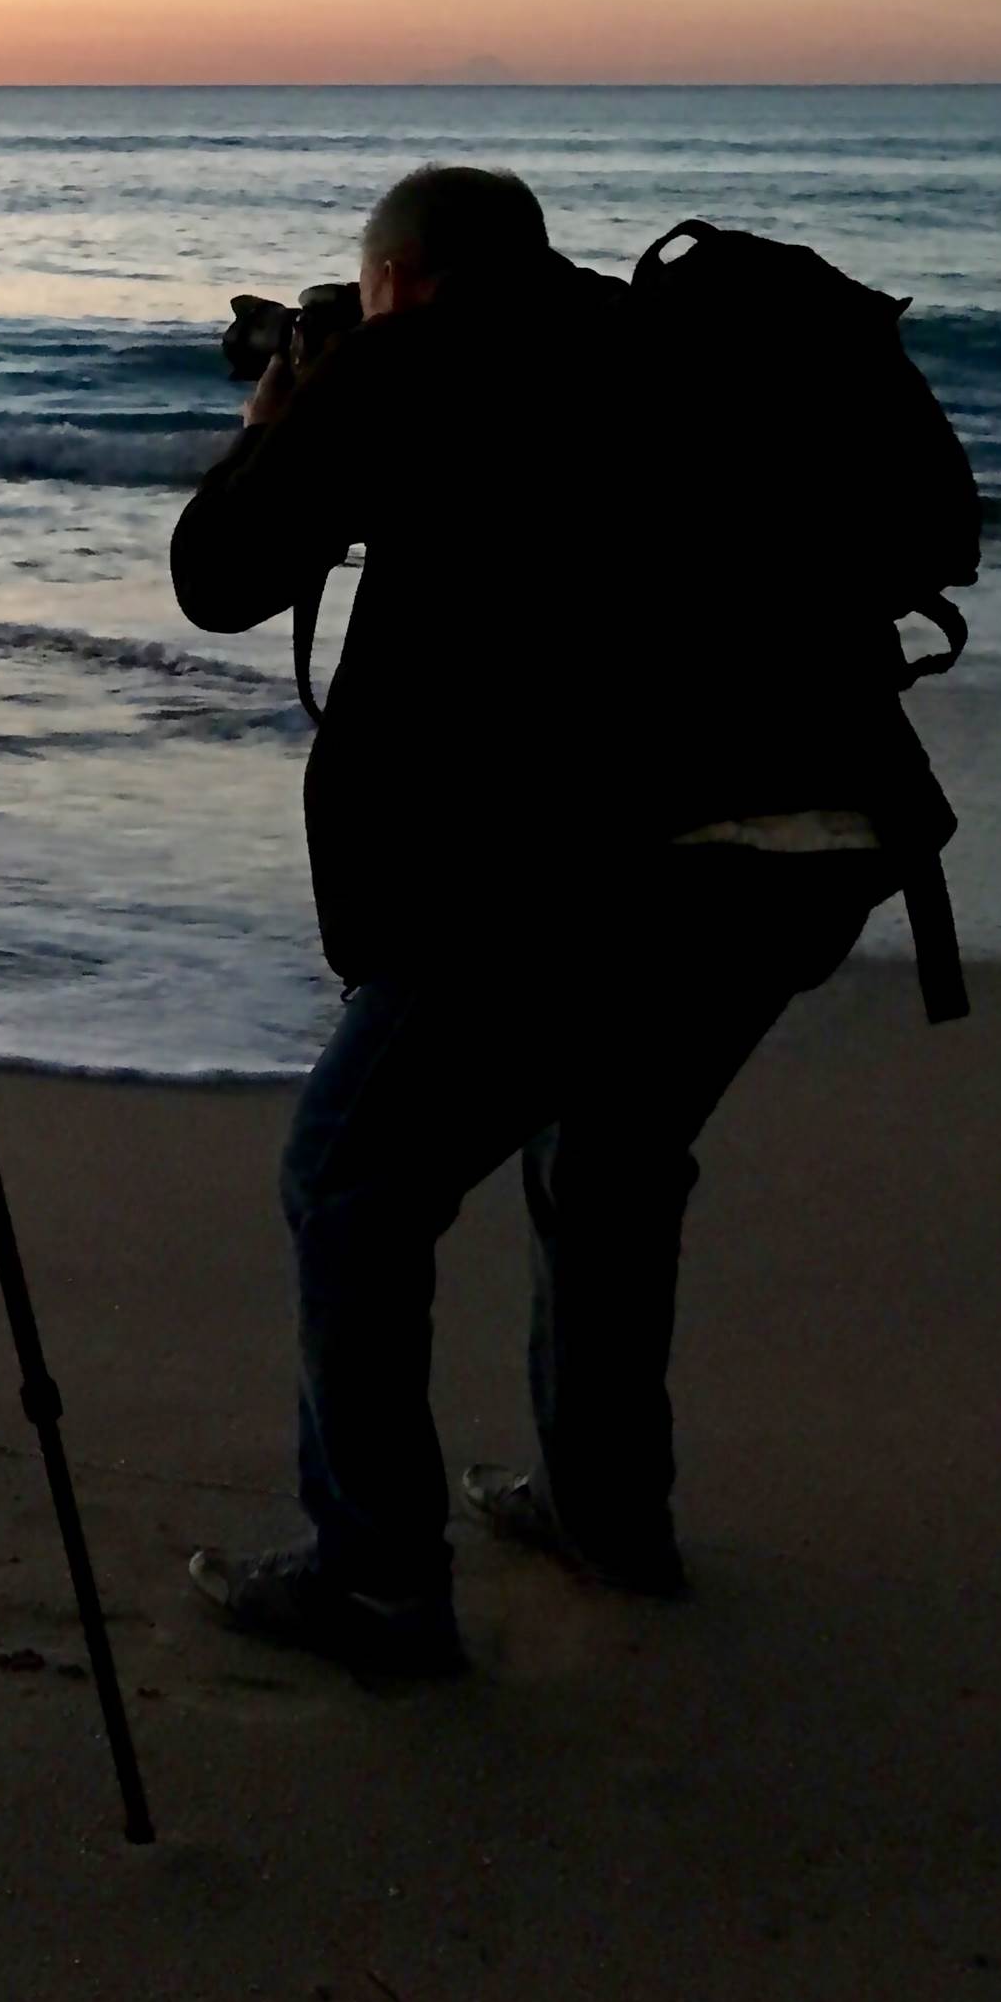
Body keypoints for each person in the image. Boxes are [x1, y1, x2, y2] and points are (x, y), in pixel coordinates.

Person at [168, 163, 895, 1676]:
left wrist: (281, 418)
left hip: (584, 870)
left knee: (350, 1184)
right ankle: (606, 1516)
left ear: (399, 278)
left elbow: (220, 577)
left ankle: (375, 1582)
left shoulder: (412, 361)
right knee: (610, 1158)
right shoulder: (667, 349)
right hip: (812, 842)